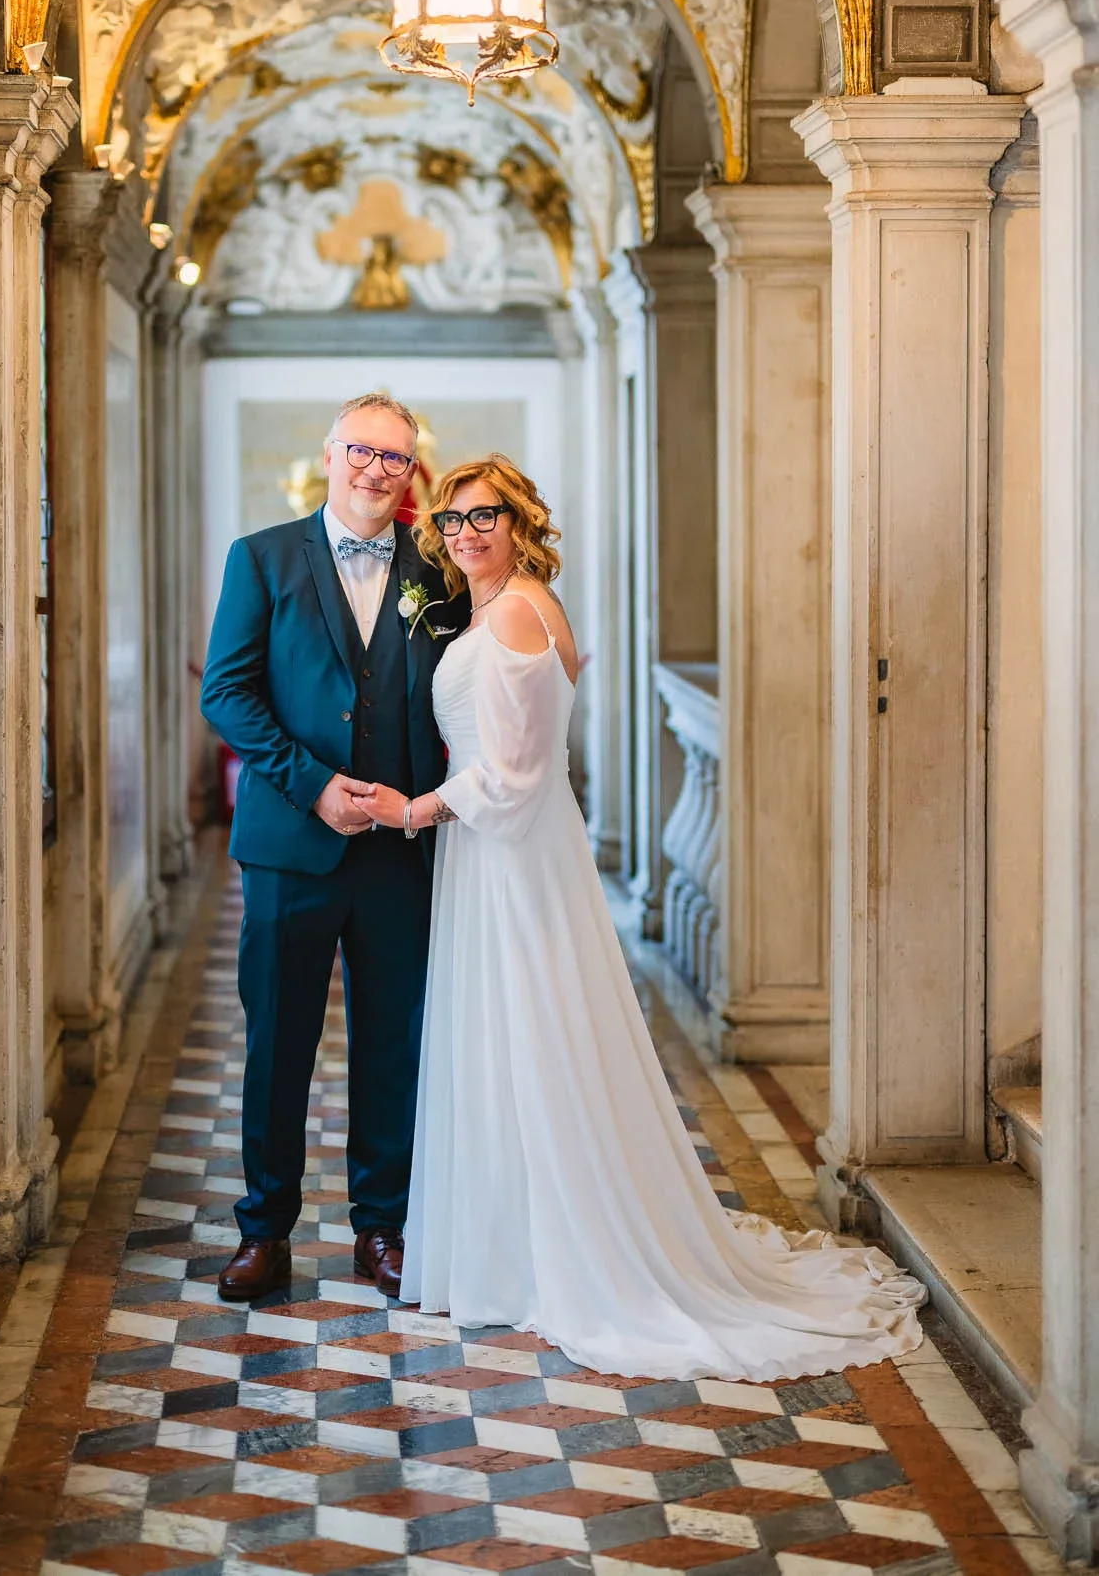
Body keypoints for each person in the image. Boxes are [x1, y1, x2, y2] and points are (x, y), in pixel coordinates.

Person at [350, 454, 925, 1380]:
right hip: (490, 855)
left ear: (520, 519)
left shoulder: (523, 612)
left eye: (483, 516)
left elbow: (515, 776)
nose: (465, 533)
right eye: (453, 522)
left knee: (533, 1038)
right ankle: (511, 1241)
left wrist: (408, 810)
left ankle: (563, 1253)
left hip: (515, 858)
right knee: (501, 1042)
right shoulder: (491, 607)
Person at [201, 393, 466, 1303]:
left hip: (399, 849)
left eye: (396, 457)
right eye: (363, 450)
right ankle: (264, 1232)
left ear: (411, 471)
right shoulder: (263, 558)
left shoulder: (440, 569)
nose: (377, 469)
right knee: (277, 1042)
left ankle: (381, 1229)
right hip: (289, 847)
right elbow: (227, 696)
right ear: (330, 454)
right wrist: (313, 786)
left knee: (393, 1042)